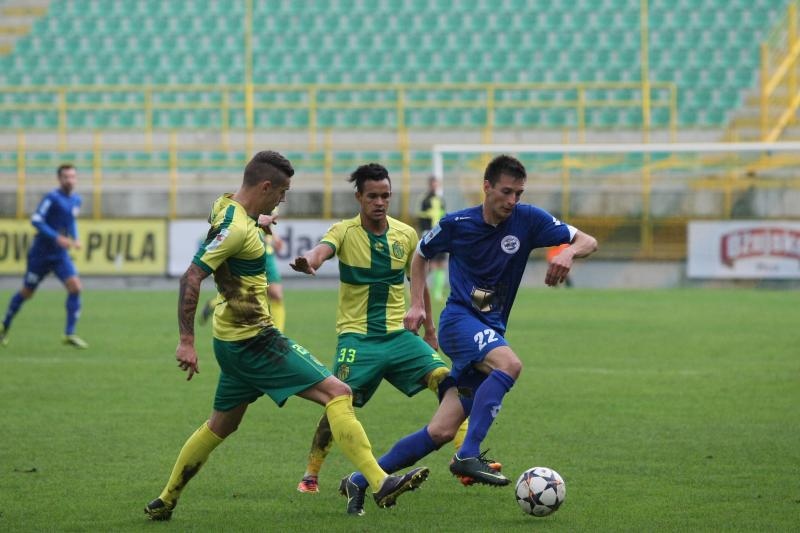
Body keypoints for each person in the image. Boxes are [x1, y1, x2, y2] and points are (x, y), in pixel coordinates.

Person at [143, 151, 428, 522]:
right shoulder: (237, 230)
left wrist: (258, 219)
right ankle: (379, 481)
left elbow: (230, 221)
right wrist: (185, 341)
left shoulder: (224, 207)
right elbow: (191, 276)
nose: (282, 199)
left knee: (221, 424)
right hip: (255, 341)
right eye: (281, 192)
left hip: (228, 341)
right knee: (338, 392)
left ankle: (165, 499)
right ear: (265, 187)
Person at [342, 154, 598, 493]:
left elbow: (588, 240)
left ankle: (359, 481)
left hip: (490, 329)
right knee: (509, 365)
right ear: (487, 187)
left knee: (440, 431)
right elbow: (421, 254)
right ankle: (468, 454)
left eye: (518, 193)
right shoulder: (457, 223)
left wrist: (568, 252)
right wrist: (417, 304)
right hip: (459, 322)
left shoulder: (528, 219)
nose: (512, 200)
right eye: (506, 192)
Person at [291, 163, 468, 514]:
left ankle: (464, 458)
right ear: (359, 197)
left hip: (399, 336)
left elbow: (418, 284)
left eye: (385, 196)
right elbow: (321, 251)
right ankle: (311, 473)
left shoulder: (405, 234)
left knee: (450, 382)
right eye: (372, 196)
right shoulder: (344, 231)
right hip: (357, 339)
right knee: (338, 402)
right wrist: (310, 260)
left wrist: (430, 329)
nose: (380, 202)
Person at [0, 164, 88, 348]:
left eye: (72, 176)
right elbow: (36, 220)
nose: (70, 180)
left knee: (75, 287)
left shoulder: (76, 200)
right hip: (40, 254)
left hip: (60, 255)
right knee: (27, 292)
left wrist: (76, 238)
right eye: (66, 177)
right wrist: (57, 237)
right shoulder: (52, 198)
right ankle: (4, 325)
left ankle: (69, 333)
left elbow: (70, 221)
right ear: (59, 179)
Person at [199, 211, 287, 330]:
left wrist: (274, 237)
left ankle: (278, 334)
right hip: (250, 246)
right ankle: (215, 303)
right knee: (245, 292)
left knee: (276, 295)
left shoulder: (275, 201)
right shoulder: (247, 202)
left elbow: (268, 222)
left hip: (267, 252)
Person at [417, 176, 448, 301]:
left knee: (441, 264)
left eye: (437, 184)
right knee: (430, 265)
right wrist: (424, 231)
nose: (435, 186)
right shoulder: (424, 200)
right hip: (429, 235)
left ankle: (437, 293)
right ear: (429, 185)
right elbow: (421, 216)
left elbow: (444, 218)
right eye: (433, 184)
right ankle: (416, 287)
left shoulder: (441, 200)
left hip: (441, 236)